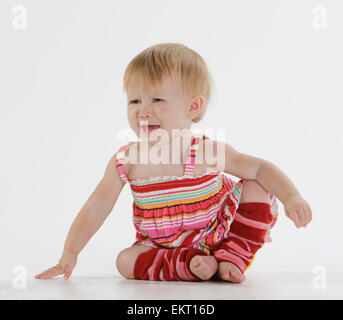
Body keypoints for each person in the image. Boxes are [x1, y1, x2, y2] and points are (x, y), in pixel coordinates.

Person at [35, 43, 312, 283]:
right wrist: (70, 253)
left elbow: (260, 168)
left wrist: (291, 197)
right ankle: (189, 264)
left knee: (257, 187)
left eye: (157, 99)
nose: (143, 110)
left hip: (220, 232)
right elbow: (96, 208)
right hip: (164, 245)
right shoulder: (127, 161)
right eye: (134, 100)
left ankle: (233, 255)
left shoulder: (204, 151)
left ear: (193, 106)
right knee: (125, 262)